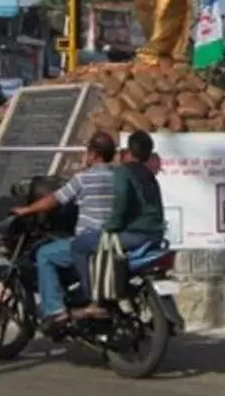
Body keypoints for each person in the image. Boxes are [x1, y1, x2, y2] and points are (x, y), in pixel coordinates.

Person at [11, 132, 118, 329]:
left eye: (87, 152)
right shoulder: (119, 178)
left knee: (45, 254)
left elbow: (55, 199)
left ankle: (55, 310)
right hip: (113, 241)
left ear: (94, 154)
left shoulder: (83, 179)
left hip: (88, 241)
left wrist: (27, 209)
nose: (85, 155)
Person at [70, 130, 167, 318]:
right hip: (155, 234)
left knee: (79, 245)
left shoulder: (125, 172)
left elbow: (121, 199)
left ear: (129, 151)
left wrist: (111, 226)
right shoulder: (149, 176)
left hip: (134, 235)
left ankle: (92, 299)